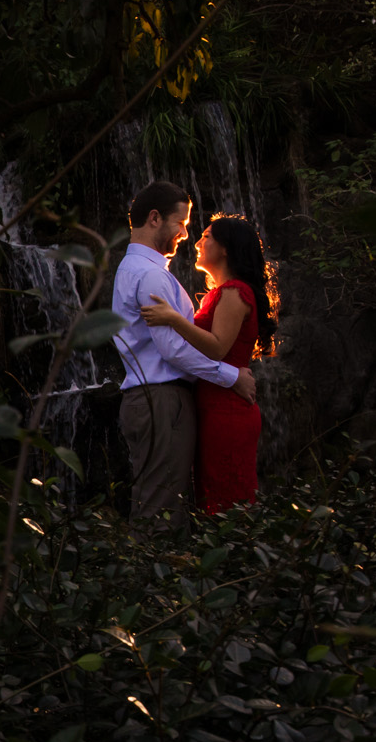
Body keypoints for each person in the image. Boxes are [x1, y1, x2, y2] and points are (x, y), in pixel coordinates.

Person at [109, 182, 257, 525]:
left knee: (163, 499)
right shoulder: (149, 276)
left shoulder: (140, 271)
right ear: (155, 219)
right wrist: (231, 376)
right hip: (162, 400)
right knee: (161, 508)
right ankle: (154, 573)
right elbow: (173, 349)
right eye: (183, 223)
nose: (186, 234)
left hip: (156, 399)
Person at [140, 214, 276, 511]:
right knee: (215, 498)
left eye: (207, 237)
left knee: (225, 502)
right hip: (216, 404)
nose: (198, 242)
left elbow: (216, 348)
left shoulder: (234, 292)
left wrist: (173, 319)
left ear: (225, 248)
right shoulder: (221, 293)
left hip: (226, 409)